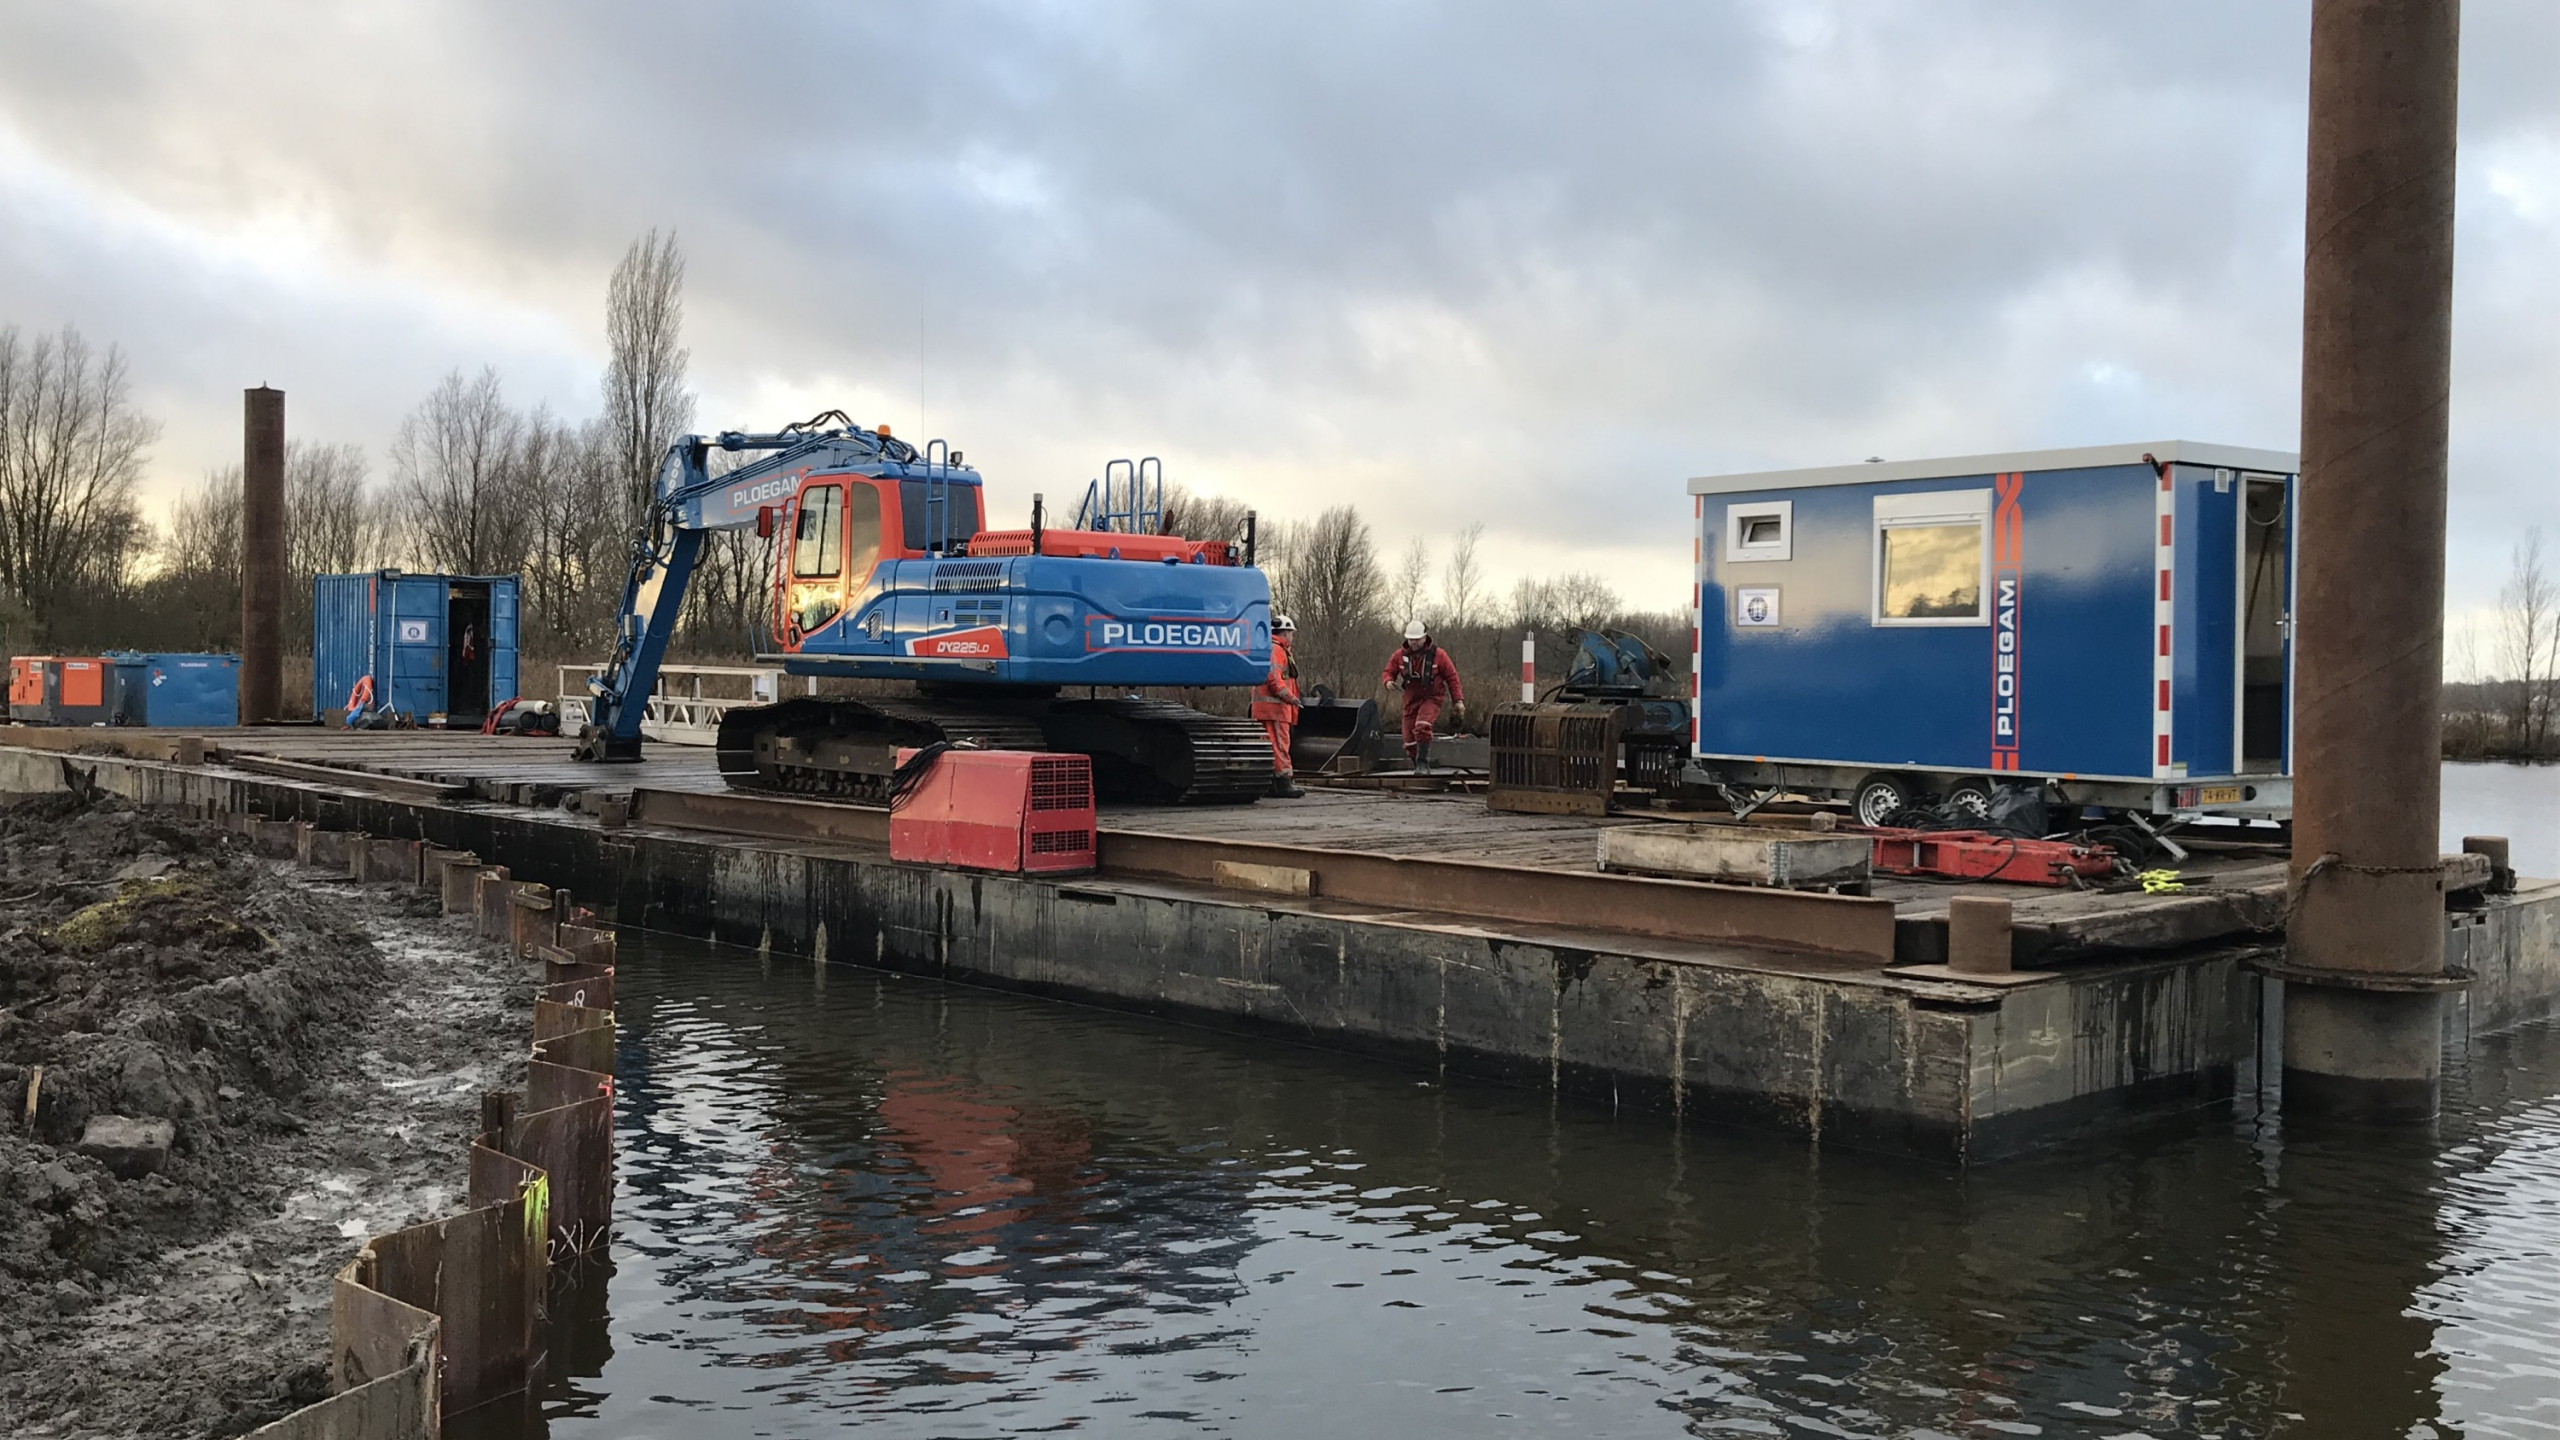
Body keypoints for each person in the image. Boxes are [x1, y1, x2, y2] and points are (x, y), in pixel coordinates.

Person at [1380, 619, 1463, 771]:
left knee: (1422, 726)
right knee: (1409, 741)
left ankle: (1423, 764)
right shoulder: (1399, 655)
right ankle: (1417, 764)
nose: (1414, 643)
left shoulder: (1439, 655)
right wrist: (1388, 681)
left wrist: (1458, 700)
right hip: (1411, 699)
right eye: (1411, 639)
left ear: (1425, 638)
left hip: (1432, 697)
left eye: (1417, 640)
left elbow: (1452, 678)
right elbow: (1388, 671)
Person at [1253, 614, 1304, 798]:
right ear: (1285, 632)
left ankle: (1272, 782)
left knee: (1269, 745)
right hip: (1275, 709)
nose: (1292, 637)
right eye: (1291, 633)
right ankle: (1283, 782)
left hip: (1269, 708)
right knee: (1280, 745)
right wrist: (1291, 698)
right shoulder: (1276, 650)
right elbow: (1274, 679)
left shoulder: (1274, 649)